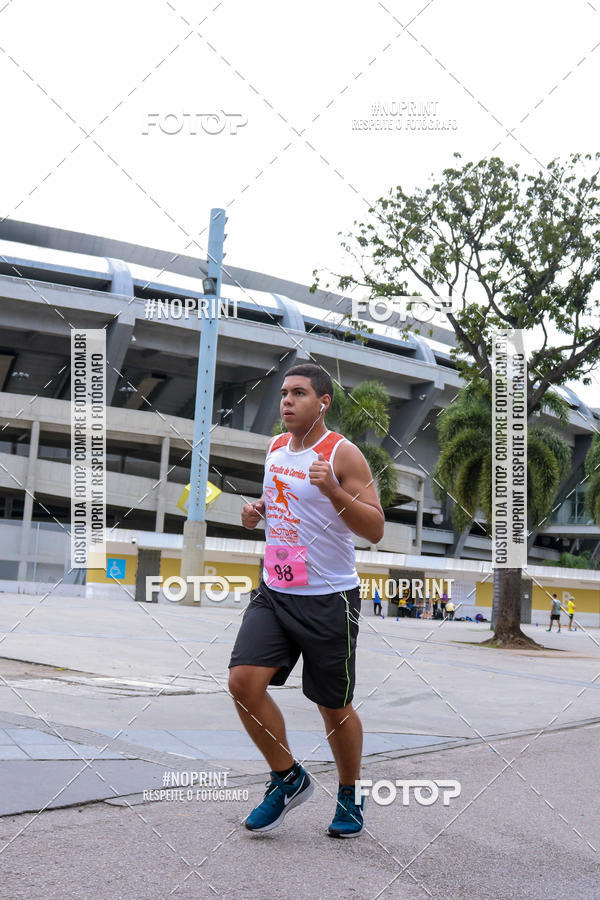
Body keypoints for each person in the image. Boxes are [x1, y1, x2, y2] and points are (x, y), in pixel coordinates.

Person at [228, 363, 385, 838]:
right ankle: (288, 778)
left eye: (299, 393)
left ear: (323, 402)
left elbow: (375, 528)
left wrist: (333, 489)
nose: (287, 401)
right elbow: (282, 502)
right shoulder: (275, 447)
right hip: (276, 588)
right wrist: (257, 511)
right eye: (284, 393)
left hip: (329, 597)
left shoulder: (342, 453)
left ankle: (350, 794)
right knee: (243, 682)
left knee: (333, 706)